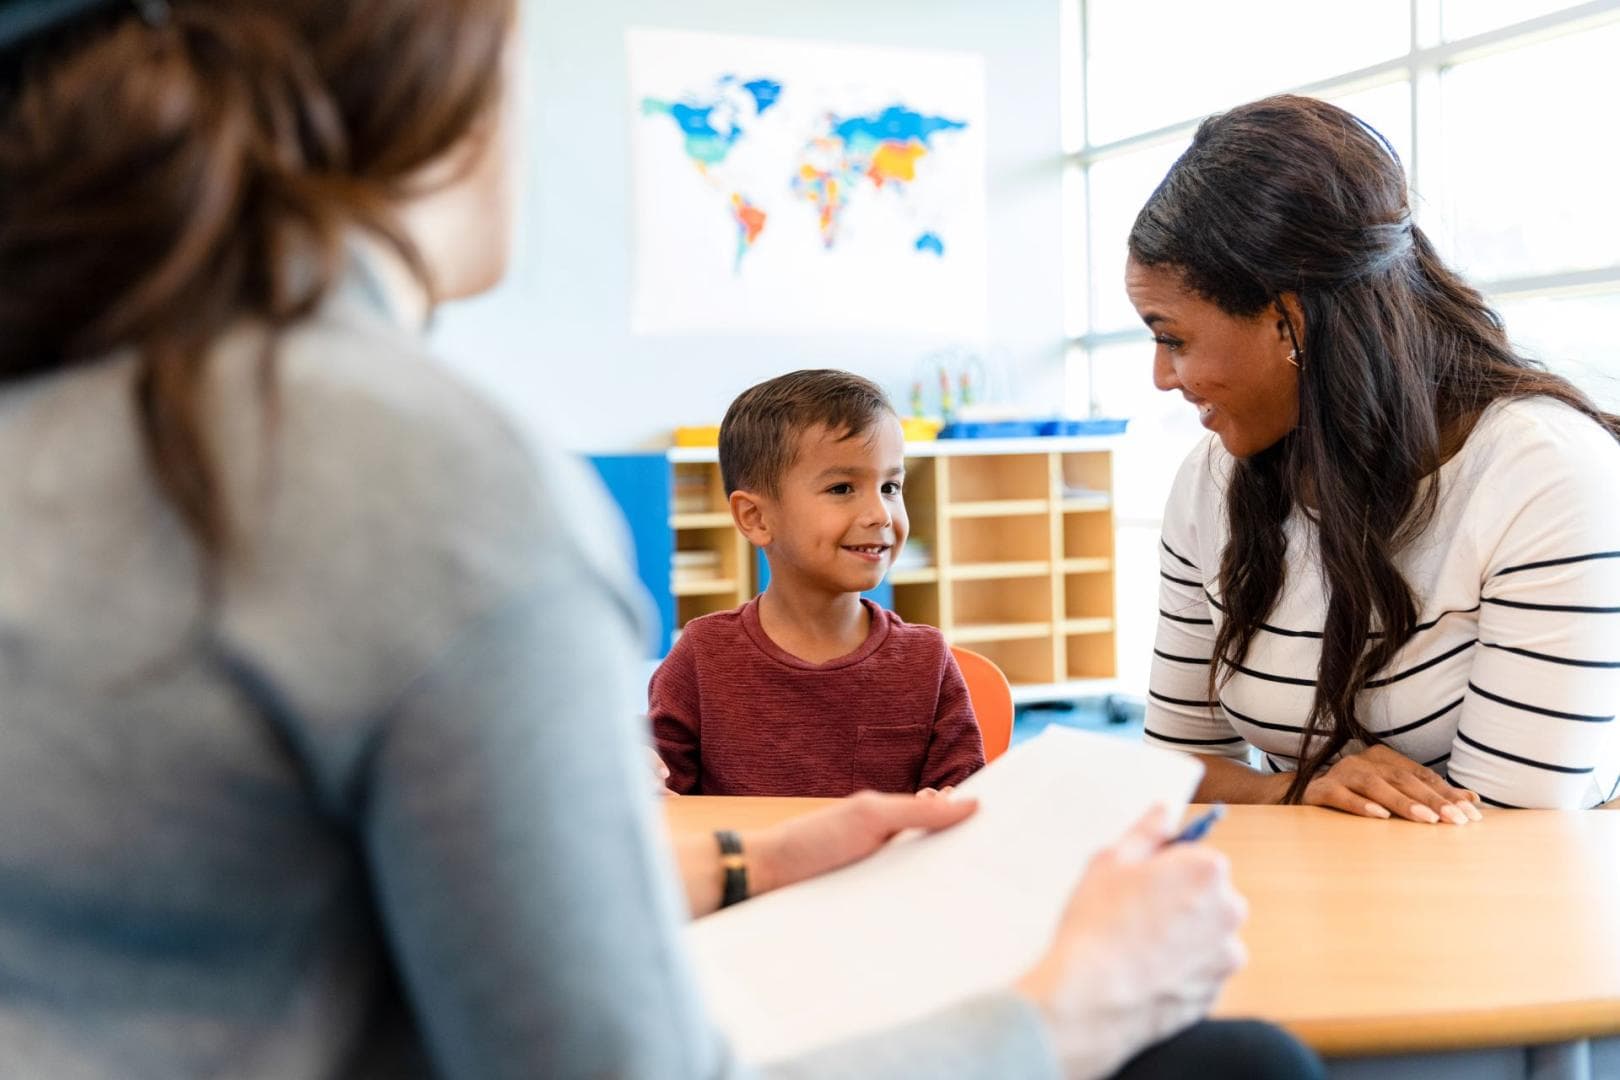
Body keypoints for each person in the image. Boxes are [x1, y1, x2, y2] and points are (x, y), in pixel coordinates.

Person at [0, 2, 1324, 1077]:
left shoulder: (60, 404)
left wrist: (751, 853)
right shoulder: (431, 481)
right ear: (460, 91)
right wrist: (1070, 1009)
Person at [1128, 94, 1620, 817]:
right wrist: (1295, 790)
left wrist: (1293, 806)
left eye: (1173, 337)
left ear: (1286, 320)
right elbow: (1173, 768)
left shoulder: (1542, 474)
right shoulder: (1212, 480)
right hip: (1313, 898)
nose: (1163, 376)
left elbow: (1511, 828)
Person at [650, 370, 984, 796]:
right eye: (843, 488)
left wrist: (951, 802)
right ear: (756, 518)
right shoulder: (703, 655)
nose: (880, 513)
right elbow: (659, 797)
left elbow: (966, 799)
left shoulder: (924, 660)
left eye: (890, 486)